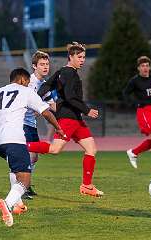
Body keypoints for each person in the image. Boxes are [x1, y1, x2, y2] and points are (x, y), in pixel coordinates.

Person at [0, 68, 65, 227]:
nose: (28, 85)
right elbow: (46, 112)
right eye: (28, 82)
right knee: (25, 179)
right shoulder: (26, 92)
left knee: (17, 169)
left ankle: (17, 204)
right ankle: (7, 204)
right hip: (14, 139)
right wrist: (58, 128)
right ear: (22, 80)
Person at [26, 42, 104, 198]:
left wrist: (38, 103)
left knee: (91, 149)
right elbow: (70, 97)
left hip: (76, 118)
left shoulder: (61, 72)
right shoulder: (69, 73)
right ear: (71, 57)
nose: (82, 60)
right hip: (68, 118)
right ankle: (20, 145)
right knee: (55, 149)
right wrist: (87, 110)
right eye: (79, 57)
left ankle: (86, 186)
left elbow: (45, 87)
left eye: (83, 57)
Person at [22, 50, 55, 199]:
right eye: (42, 64)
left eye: (47, 64)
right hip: (22, 123)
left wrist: (74, 110)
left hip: (31, 124)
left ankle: (26, 186)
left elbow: (52, 105)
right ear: (34, 66)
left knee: (34, 158)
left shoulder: (44, 85)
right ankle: (21, 187)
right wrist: (36, 108)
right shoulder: (29, 82)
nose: (45, 67)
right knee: (29, 155)